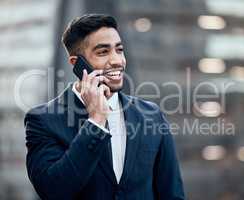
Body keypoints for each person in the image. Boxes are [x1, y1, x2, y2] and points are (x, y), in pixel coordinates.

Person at [24, 13, 185, 200]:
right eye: (103, 52)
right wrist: (96, 121)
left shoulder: (151, 115)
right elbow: (53, 191)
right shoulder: (43, 120)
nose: (117, 60)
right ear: (77, 64)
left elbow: (172, 193)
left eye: (119, 49)